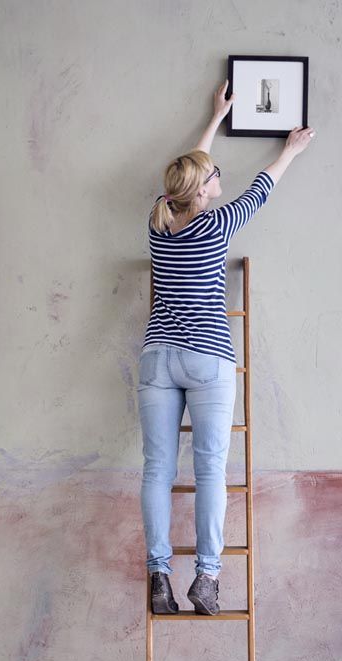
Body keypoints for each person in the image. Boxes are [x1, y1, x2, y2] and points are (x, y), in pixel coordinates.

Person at [137, 80, 315, 615]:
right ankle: (207, 579)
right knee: (211, 469)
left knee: (156, 471)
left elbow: (190, 171)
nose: (220, 177)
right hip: (207, 358)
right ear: (204, 191)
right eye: (214, 176)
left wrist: (215, 119)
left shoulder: (158, 221)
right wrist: (289, 150)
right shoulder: (216, 223)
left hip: (156, 358)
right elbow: (262, 188)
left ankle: (159, 575)